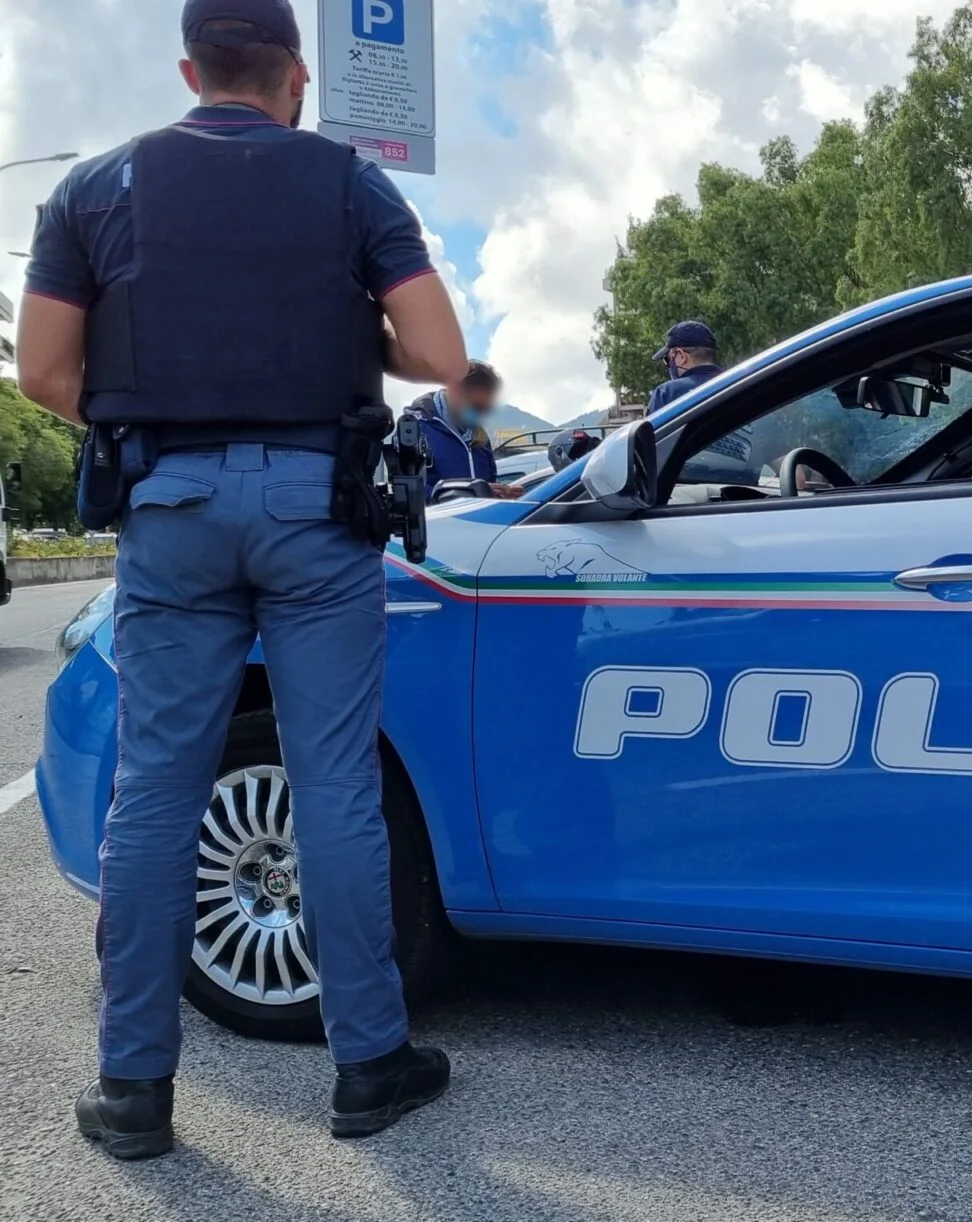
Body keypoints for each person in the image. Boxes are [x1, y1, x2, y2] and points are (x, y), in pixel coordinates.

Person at [13, 0, 467, 1159]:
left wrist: (155, 422)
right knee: (334, 788)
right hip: (318, 509)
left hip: (166, 510)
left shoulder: (94, 190)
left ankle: (133, 1093)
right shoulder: (350, 185)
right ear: (296, 76)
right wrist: (330, 328)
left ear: (189, 69)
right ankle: (369, 1064)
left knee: (157, 796)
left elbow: (46, 370)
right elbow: (438, 354)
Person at [409, 360, 522, 498]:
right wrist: (466, 494)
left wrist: (500, 494)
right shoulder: (416, 428)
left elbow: (486, 484)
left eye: (485, 409)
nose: (480, 415)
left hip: (473, 519)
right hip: (438, 519)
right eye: (476, 407)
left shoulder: (480, 438)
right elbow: (410, 490)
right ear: (455, 392)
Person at [646, 320, 725, 414]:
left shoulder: (666, 394)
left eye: (668, 359)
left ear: (682, 355)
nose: (669, 364)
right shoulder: (737, 384)